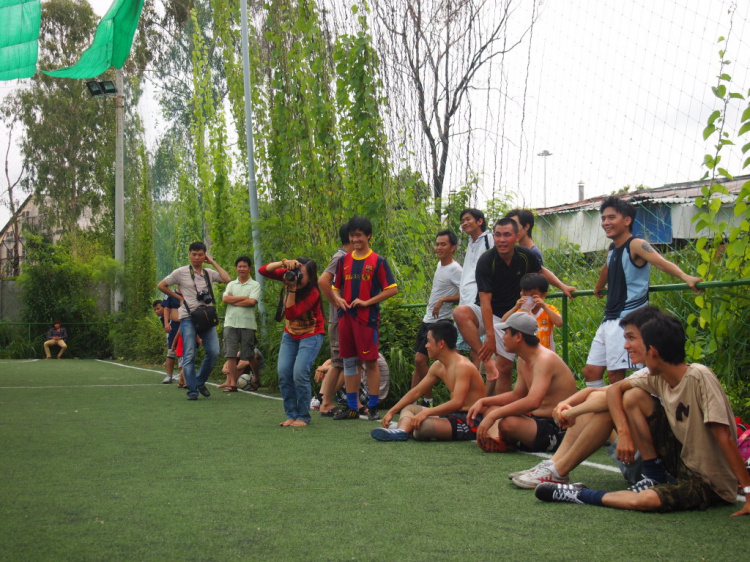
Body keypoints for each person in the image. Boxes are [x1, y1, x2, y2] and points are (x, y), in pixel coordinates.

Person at [537, 313, 750, 517]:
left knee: (646, 501)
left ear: (653, 351)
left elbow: (725, 437)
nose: (627, 347)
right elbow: (613, 390)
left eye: (635, 342)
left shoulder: (699, 377)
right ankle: (654, 476)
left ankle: (580, 494)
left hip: (710, 482)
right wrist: (624, 433)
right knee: (632, 396)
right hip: (682, 462)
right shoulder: (657, 378)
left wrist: (748, 492)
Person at [511, 306, 662, 490]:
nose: (625, 346)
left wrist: (572, 411)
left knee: (605, 407)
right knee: (598, 400)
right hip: (636, 458)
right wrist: (565, 404)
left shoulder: (661, 375)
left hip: (656, 468)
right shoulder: (647, 373)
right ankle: (554, 466)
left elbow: (532, 401)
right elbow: (601, 392)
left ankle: (558, 471)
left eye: (631, 338)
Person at [583, 196, 702, 388]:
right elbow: (607, 268)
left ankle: (625, 414)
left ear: (627, 220)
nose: (606, 222)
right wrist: (598, 287)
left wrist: (686, 277)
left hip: (627, 318)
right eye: (603, 218)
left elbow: (660, 262)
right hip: (609, 318)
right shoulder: (612, 248)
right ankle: (603, 412)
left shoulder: (636, 244)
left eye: (611, 217)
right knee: (591, 371)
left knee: (616, 375)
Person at [453, 218, 576, 395]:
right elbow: (485, 301)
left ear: (517, 236)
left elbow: (541, 271)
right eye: (498, 235)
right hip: (490, 313)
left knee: (504, 367)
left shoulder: (526, 256)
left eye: (507, 235)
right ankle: (485, 360)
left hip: (513, 316)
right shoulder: (486, 260)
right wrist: (489, 336)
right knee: (460, 312)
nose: (501, 239)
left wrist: (562, 286)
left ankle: (499, 412)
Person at [467, 312, 577, 453]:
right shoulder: (522, 359)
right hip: (535, 420)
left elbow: (533, 402)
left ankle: (505, 439)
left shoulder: (544, 359)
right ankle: (502, 440)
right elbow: (517, 395)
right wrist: (484, 402)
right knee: (491, 408)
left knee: (508, 423)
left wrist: (495, 415)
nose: (503, 337)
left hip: (558, 425)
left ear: (518, 337)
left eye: (506, 333)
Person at [372, 321, 486, 442]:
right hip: (450, 415)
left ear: (441, 343)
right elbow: (416, 392)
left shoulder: (463, 366)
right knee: (410, 408)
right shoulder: (438, 365)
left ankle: (408, 428)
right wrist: (392, 411)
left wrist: (426, 413)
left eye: (428, 341)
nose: (426, 346)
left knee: (424, 427)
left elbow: (457, 402)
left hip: (469, 419)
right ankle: (402, 432)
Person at [331, 215, 398, 421]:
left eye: (359, 235)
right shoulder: (343, 260)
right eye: (352, 235)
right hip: (346, 319)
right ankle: (352, 407)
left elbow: (392, 289)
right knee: (349, 362)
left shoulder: (378, 261)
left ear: (368, 236)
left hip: (366, 319)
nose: (355, 239)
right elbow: (334, 287)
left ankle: (374, 406)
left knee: (370, 362)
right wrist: (338, 299)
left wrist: (368, 302)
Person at [157, 242, 231, 400]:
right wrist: (179, 298)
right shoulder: (180, 272)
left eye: (200, 255)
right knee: (189, 353)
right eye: (194, 254)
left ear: (205, 255)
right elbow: (161, 285)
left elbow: (227, 279)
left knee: (214, 352)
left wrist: (213, 262)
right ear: (189, 255)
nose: (197, 257)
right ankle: (192, 390)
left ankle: (199, 380)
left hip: (206, 317)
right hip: (188, 317)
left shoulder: (209, 273)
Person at [260, 257, 324, 427]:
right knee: (283, 373)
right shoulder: (288, 275)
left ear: (311, 277)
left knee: (299, 372)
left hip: (311, 334)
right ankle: (291, 415)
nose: (297, 277)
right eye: (296, 272)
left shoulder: (313, 293)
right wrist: (283, 264)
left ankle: (303, 417)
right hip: (290, 334)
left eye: (302, 274)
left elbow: (291, 313)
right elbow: (263, 270)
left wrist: (293, 289)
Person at [411, 229, 462, 407]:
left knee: (421, 360)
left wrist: (443, 300)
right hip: (428, 319)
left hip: (442, 322)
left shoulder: (456, 269)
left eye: (443, 244)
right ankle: (412, 401)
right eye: (437, 244)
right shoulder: (440, 266)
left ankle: (428, 401)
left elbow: (467, 294)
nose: (438, 247)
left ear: (453, 247)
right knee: (419, 363)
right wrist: (433, 300)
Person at [316, 222, 353, 415]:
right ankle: (325, 402)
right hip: (339, 319)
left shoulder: (351, 258)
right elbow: (323, 281)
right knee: (338, 362)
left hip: (351, 319)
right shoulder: (340, 257)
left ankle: (351, 403)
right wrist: (337, 302)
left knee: (350, 362)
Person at [455, 208, 493, 357]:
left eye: (468, 219)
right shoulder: (471, 243)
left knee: (480, 350)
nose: (464, 223)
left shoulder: (488, 239)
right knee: (472, 349)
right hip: (466, 301)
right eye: (462, 221)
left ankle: (483, 377)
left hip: (479, 300)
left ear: (480, 221)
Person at [220, 256, 261, 393]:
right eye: (239, 266)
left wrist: (234, 301)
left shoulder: (255, 285)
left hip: (247, 324)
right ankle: (232, 383)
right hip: (230, 322)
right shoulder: (231, 284)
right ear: (236, 268)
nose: (242, 269)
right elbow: (225, 298)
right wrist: (243, 298)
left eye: (244, 266)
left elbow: (252, 302)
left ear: (249, 268)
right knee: (230, 354)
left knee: (248, 355)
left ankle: (256, 376)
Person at [500, 273, 561, 351]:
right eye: (525, 295)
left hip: (546, 354)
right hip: (526, 355)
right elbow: (503, 321)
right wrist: (515, 307)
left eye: (532, 296)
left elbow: (559, 323)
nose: (528, 299)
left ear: (543, 295)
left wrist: (544, 306)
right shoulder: (521, 312)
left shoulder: (548, 309)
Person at [314, 353, 390, 416]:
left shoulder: (366, 354)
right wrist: (322, 368)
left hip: (369, 397)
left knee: (344, 369)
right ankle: (321, 399)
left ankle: (321, 400)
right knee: (335, 367)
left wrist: (322, 369)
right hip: (364, 393)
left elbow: (342, 365)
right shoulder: (366, 352)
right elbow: (332, 361)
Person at [153, 290, 181, 384]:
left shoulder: (190, 290)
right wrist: (167, 323)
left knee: (185, 351)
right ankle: (169, 375)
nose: (157, 311)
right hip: (174, 327)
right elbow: (166, 308)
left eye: (158, 308)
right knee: (171, 351)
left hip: (186, 324)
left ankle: (184, 375)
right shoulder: (170, 293)